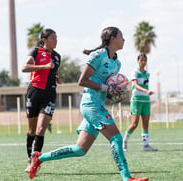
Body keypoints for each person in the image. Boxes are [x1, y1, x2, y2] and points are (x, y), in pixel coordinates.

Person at [28, 26, 149, 181]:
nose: (124, 39)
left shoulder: (116, 63)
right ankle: (127, 178)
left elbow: (108, 90)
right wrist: (106, 87)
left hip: (98, 105)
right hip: (90, 104)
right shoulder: (98, 55)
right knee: (116, 138)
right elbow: (82, 81)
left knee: (80, 149)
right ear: (112, 39)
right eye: (121, 36)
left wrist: (116, 94)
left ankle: (39, 158)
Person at [22, 28, 62, 172]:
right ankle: (29, 157)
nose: (56, 40)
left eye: (56, 37)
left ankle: (34, 162)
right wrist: (44, 66)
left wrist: (56, 77)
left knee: (41, 128)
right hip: (34, 93)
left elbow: (54, 71)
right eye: (53, 38)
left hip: (50, 94)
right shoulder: (36, 52)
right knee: (32, 130)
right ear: (44, 40)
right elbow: (25, 67)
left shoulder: (57, 56)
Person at [123, 53, 157, 152]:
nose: (143, 62)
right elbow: (136, 85)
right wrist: (146, 91)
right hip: (136, 100)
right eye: (141, 60)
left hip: (146, 101)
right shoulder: (135, 72)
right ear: (138, 61)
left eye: (145, 60)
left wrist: (147, 93)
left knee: (145, 124)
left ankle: (146, 145)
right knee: (134, 124)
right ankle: (124, 141)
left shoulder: (147, 74)